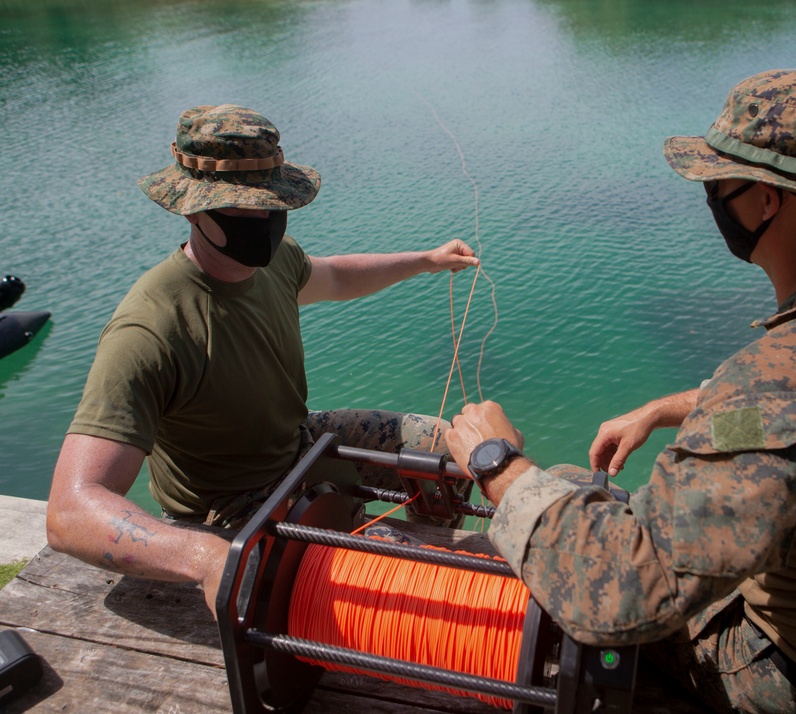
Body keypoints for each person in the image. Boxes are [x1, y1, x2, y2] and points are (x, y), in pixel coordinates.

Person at [446, 70, 796, 712]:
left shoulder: (789, 376)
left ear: (766, 200)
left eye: (717, 179)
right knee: (567, 490)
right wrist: (668, 408)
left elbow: (619, 598)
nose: (709, 194)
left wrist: (496, 464)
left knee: (556, 545)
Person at [46, 104, 479, 617]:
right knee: (367, 591)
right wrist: (206, 557)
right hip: (231, 510)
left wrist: (427, 261)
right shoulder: (150, 329)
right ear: (190, 209)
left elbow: (337, 277)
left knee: (449, 451)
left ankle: (446, 564)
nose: (262, 221)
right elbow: (71, 511)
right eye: (239, 209)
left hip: (296, 446)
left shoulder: (275, 261)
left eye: (271, 204)